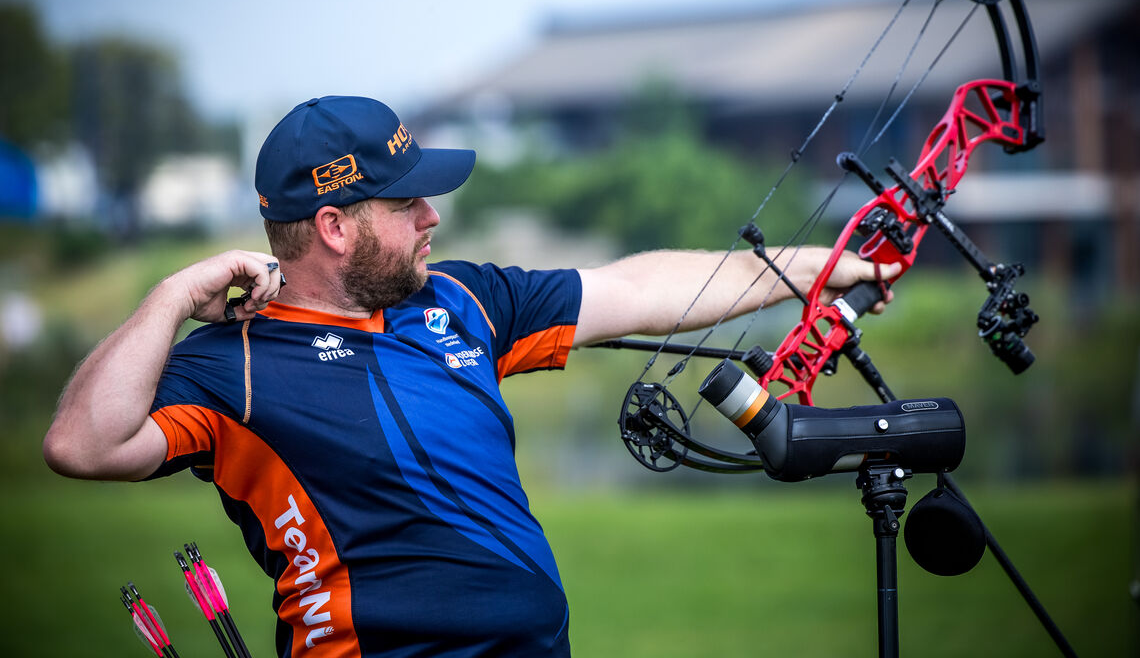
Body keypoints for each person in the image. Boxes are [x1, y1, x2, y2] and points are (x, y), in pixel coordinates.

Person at [43, 96, 898, 657]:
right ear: (335, 226)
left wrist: (823, 266)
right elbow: (83, 442)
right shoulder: (232, 369)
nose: (432, 216)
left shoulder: (460, 299)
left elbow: (638, 288)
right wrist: (170, 296)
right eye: (406, 204)